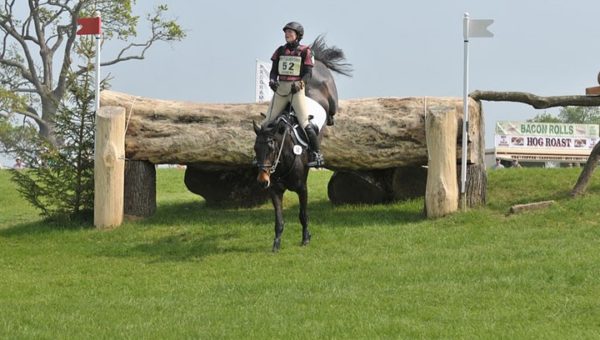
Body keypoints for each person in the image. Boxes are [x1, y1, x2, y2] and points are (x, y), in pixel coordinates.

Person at [262, 21, 323, 168]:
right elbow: (274, 71)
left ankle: (317, 154)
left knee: (305, 124)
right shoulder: (280, 50)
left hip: (296, 91)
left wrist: (300, 83)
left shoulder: (305, 51)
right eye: (286, 32)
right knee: (265, 124)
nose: (287, 34)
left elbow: (308, 73)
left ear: (298, 36)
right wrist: (271, 80)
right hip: (281, 90)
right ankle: (261, 154)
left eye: (290, 32)